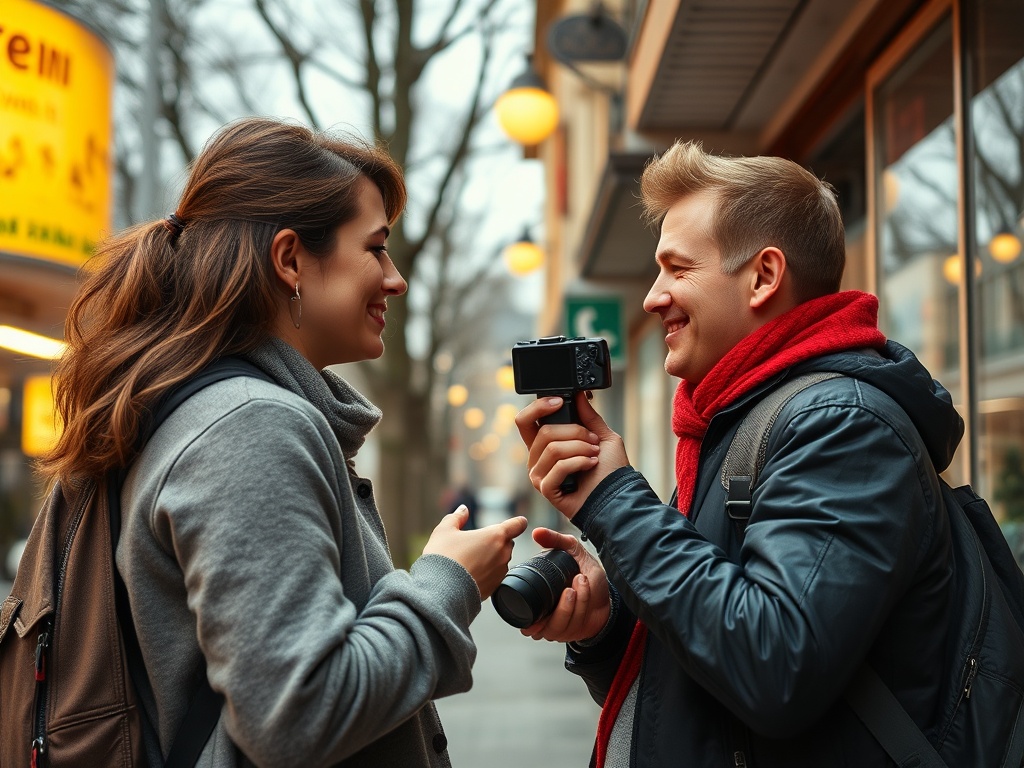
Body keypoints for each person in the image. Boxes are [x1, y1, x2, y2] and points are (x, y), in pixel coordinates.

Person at [40, 117, 527, 767]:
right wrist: (447, 583)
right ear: (291, 258)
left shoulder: (202, 414)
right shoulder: (248, 427)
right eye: (376, 248)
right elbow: (300, 714)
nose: (395, 278)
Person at [514, 141, 962, 766]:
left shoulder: (840, 425)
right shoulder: (735, 423)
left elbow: (775, 668)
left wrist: (615, 504)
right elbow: (704, 688)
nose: (652, 296)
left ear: (764, 277)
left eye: (677, 268)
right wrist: (606, 628)